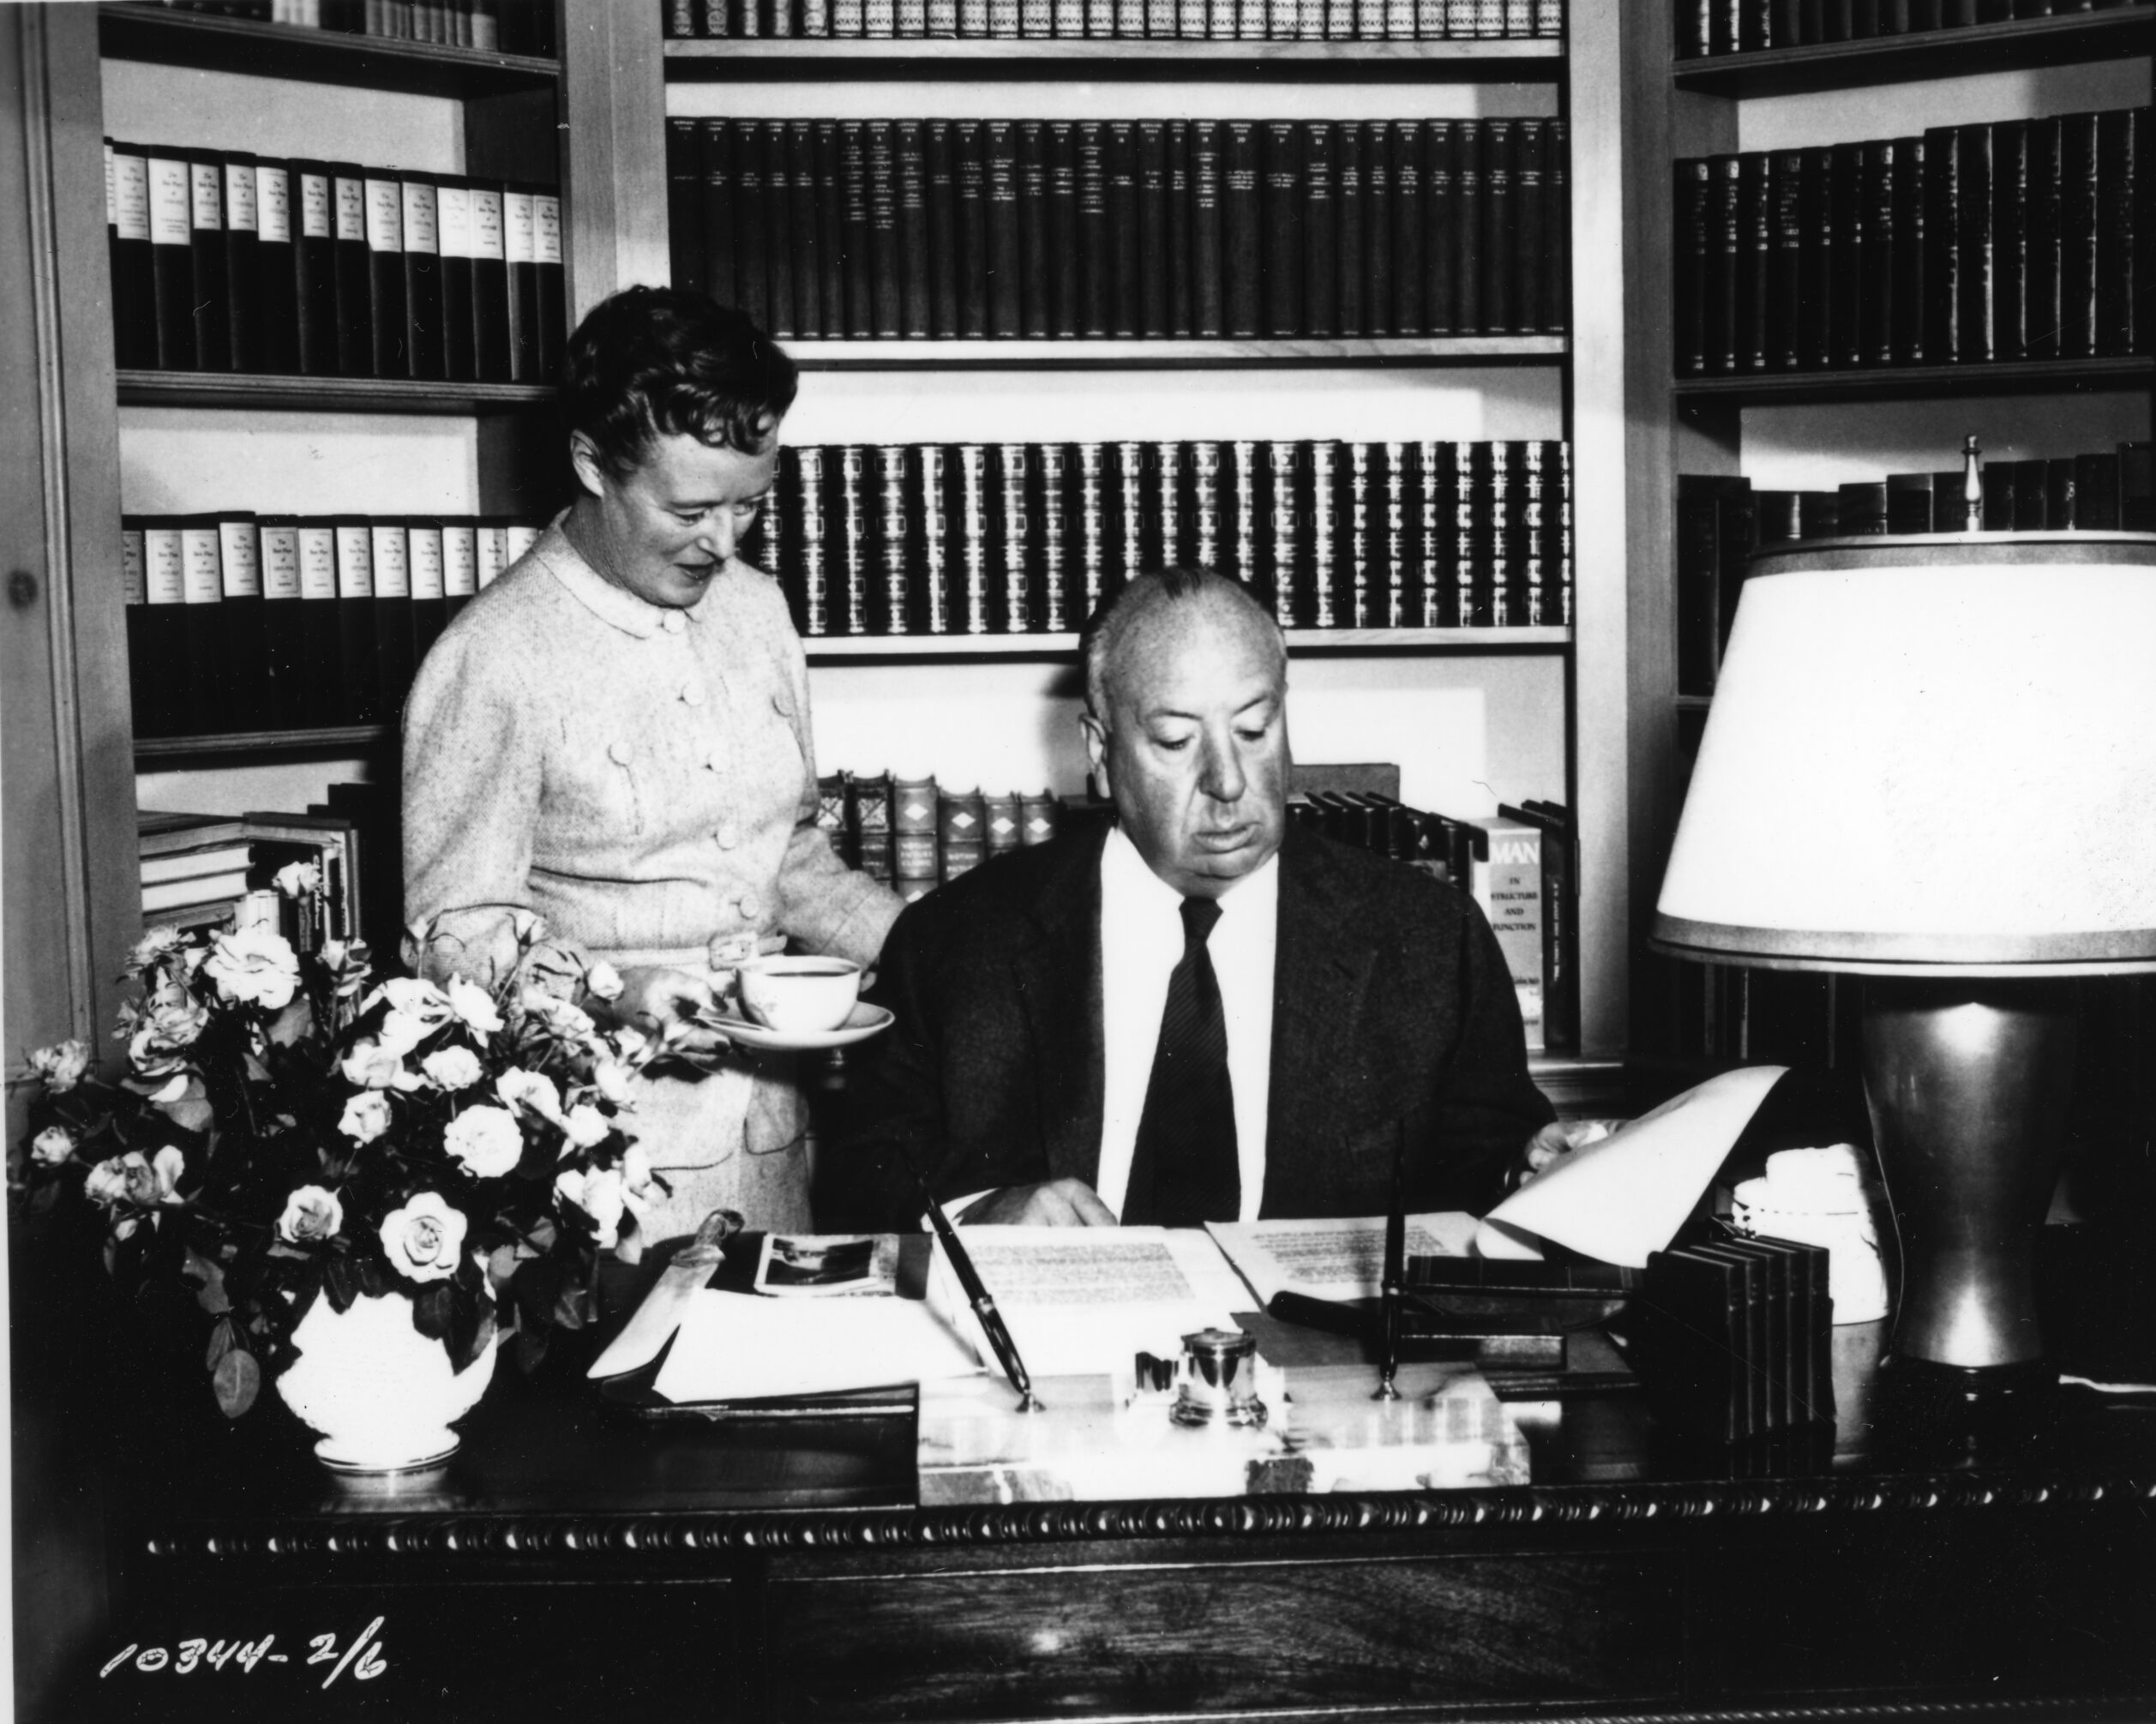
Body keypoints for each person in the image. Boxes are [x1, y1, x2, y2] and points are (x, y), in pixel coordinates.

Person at [814, 566, 1564, 1233]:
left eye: (1254, 728)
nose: (1229, 780)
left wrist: (1531, 1168)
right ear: (1101, 753)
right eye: (1175, 741)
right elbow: (861, 1178)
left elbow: (1491, 1157)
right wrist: (981, 1212)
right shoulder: (955, 940)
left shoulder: (1429, 937)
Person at [403, 287, 901, 1249]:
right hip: (600, 1161)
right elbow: (450, 939)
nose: (724, 542)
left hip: (778, 1142)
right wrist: (609, 990)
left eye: (751, 504)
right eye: (690, 509)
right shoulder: (492, 654)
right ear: (592, 463)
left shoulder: (761, 612)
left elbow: (787, 855)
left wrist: (930, 946)